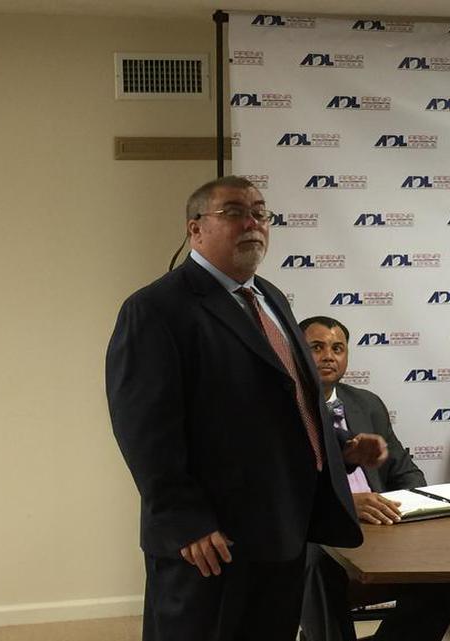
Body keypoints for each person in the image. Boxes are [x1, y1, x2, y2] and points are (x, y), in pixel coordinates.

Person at [105, 176, 387, 641]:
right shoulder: (157, 308)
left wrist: (342, 446)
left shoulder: (270, 297)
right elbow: (144, 429)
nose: (252, 222)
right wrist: (185, 521)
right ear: (195, 230)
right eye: (234, 212)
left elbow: (283, 401)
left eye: (260, 212)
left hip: (282, 529)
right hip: (212, 539)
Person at [298, 316, 450, 641]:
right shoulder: (287, 406)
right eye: (316, 347)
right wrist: (344, 505)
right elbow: (286, 487)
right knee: (317, 563)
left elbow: (404, 469)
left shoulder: (367, 404)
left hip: (381, 525)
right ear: (297, 353)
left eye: (337, 348)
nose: (328, 356)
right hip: (319, 530)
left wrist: (419, 506)